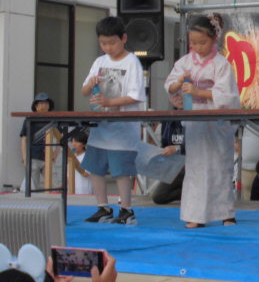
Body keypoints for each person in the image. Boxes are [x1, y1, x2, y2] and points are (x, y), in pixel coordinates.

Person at [164, 13, 241, 228]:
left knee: (220, 166)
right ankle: (195, 214)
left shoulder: (221, 64)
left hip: (216, 121)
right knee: (196, 167)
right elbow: (170, 85)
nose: (198, 47)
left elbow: (227, 95)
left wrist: (199, 91)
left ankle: (226, 212)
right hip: (195, 120)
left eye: (203, 42)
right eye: (194, 43)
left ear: (214, 39)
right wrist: (177, 84)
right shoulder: (185, 62)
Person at [80, 16, 145, 224]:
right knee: (95, 167)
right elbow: (84, 91)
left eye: (112, 42)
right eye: (103, 43)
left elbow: (135, 95)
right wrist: (90, 84)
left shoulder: (132, 62)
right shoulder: (100, 62)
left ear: (123, 38)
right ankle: (103, 207)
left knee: (121, 170)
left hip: (123, 129)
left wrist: (109, 102)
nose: (107, 47)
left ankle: (126, 209)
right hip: (101, 127)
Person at [151, 93, 185, 205]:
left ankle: (196, 191)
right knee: (158, 196)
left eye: (182, 95)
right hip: (174, 165)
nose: (179, 98)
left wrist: (177, 148)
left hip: (193, 162)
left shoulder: (197, 114)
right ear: (170, 99)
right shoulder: (167, 118)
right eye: (175, 96)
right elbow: (164, 144)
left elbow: (199, 144)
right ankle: (188, 192)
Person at [19, 92, 56, 192]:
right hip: (33, 156)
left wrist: (55, 154)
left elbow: (60, 138)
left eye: (46, 103)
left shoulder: (53, 119)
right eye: (41, 103)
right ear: (36, 106)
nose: (44, 105)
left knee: (53, 185)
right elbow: (24, 139)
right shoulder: (29, 119)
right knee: (32, 186)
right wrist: (24, 157)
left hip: (47, 156)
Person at [68, 129, 93, 195]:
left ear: (84, 144)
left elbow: (86, 174)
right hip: (71, 190)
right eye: (72, 141)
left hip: (84, 191)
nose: (74, 144)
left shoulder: (88, 156)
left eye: (77, 142)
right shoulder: (71, 157)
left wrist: (73, 161)